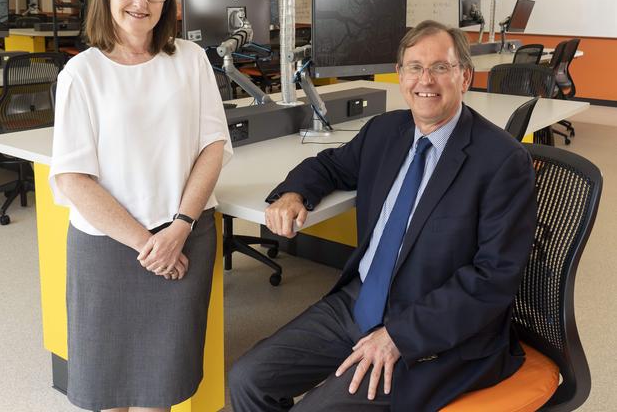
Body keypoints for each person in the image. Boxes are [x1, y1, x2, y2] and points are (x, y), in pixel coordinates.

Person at [229, 20, 536, 411]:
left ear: (465, 77)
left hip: (432, 328)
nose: (425, 79)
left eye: (440, 67)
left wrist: (398, 335)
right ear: (401, 74)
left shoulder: (502, 161)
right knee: (248, 380)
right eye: (414, 67)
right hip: (359, 301)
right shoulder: (385, 131)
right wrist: (293, 195)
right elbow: (329, 166)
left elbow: (493, 279)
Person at [49, 0, 232, 412]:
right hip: (109, 248)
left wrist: (178, 229)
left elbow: (214, 145)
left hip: (185, 234)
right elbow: (72, 178)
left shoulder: (190, 59)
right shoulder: (81, 73)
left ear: (167, 1)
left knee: (162, 386)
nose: (140, 2)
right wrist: (149, 245)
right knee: (110, 388)